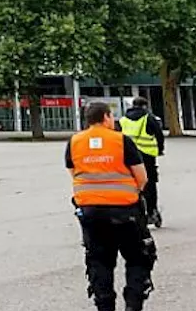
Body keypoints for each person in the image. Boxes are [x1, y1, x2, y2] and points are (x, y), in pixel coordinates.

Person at [66, 101, 157, 311]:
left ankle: (104, 306)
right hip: (125, 211)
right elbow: (142, 178)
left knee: (99, 262)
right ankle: (133, 305)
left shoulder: (74, 142)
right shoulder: (121, 141)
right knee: (138, 257)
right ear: (106, 117)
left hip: (90, 212)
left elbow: (75, 173)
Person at [118, 97, 165, 228]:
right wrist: (160, 149)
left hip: (127, 156)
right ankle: (152, 211)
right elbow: (159, 134)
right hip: (147, 155)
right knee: (150, 183)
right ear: (145, 106)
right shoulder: (149, 118)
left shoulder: (123, 120)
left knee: (132, 184)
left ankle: (134, 212)